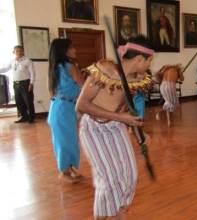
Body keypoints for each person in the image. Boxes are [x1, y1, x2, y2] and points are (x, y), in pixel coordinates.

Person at [76, 35, 153, 219]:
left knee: (130, 176)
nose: (150, 64)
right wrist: (120, 117)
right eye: (149, 60)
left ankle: (118, 211)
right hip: (94, 129)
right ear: (139, 59)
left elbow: (129, 109)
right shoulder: (104, 71)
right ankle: (102, 216)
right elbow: (81, 105)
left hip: (116, 128)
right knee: (109, 180)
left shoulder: (137, 78)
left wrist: (138, 132)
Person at [47, 38, 85, 184]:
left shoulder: (56, 68)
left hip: (61, 108)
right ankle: (64, 171)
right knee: (65, 141)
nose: (75, 50)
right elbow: (83, 85)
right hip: (63, 109)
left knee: (69, 140)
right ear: (64, 51)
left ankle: (69, 168)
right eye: (71, 48)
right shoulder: (70, 66)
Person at [0, 45, 36, 123]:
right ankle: (24, 116)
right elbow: (6, 68)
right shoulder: (12, 61)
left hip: (25, 83)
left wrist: (31, 83)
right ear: (14, 52)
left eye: (20, 51)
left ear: (23, 51)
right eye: (17, 51)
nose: (19, 52)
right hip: (16, 84)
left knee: (28, 101)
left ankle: (31, 118)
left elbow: (32, 73)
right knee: (19, 102)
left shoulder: (27, 61)